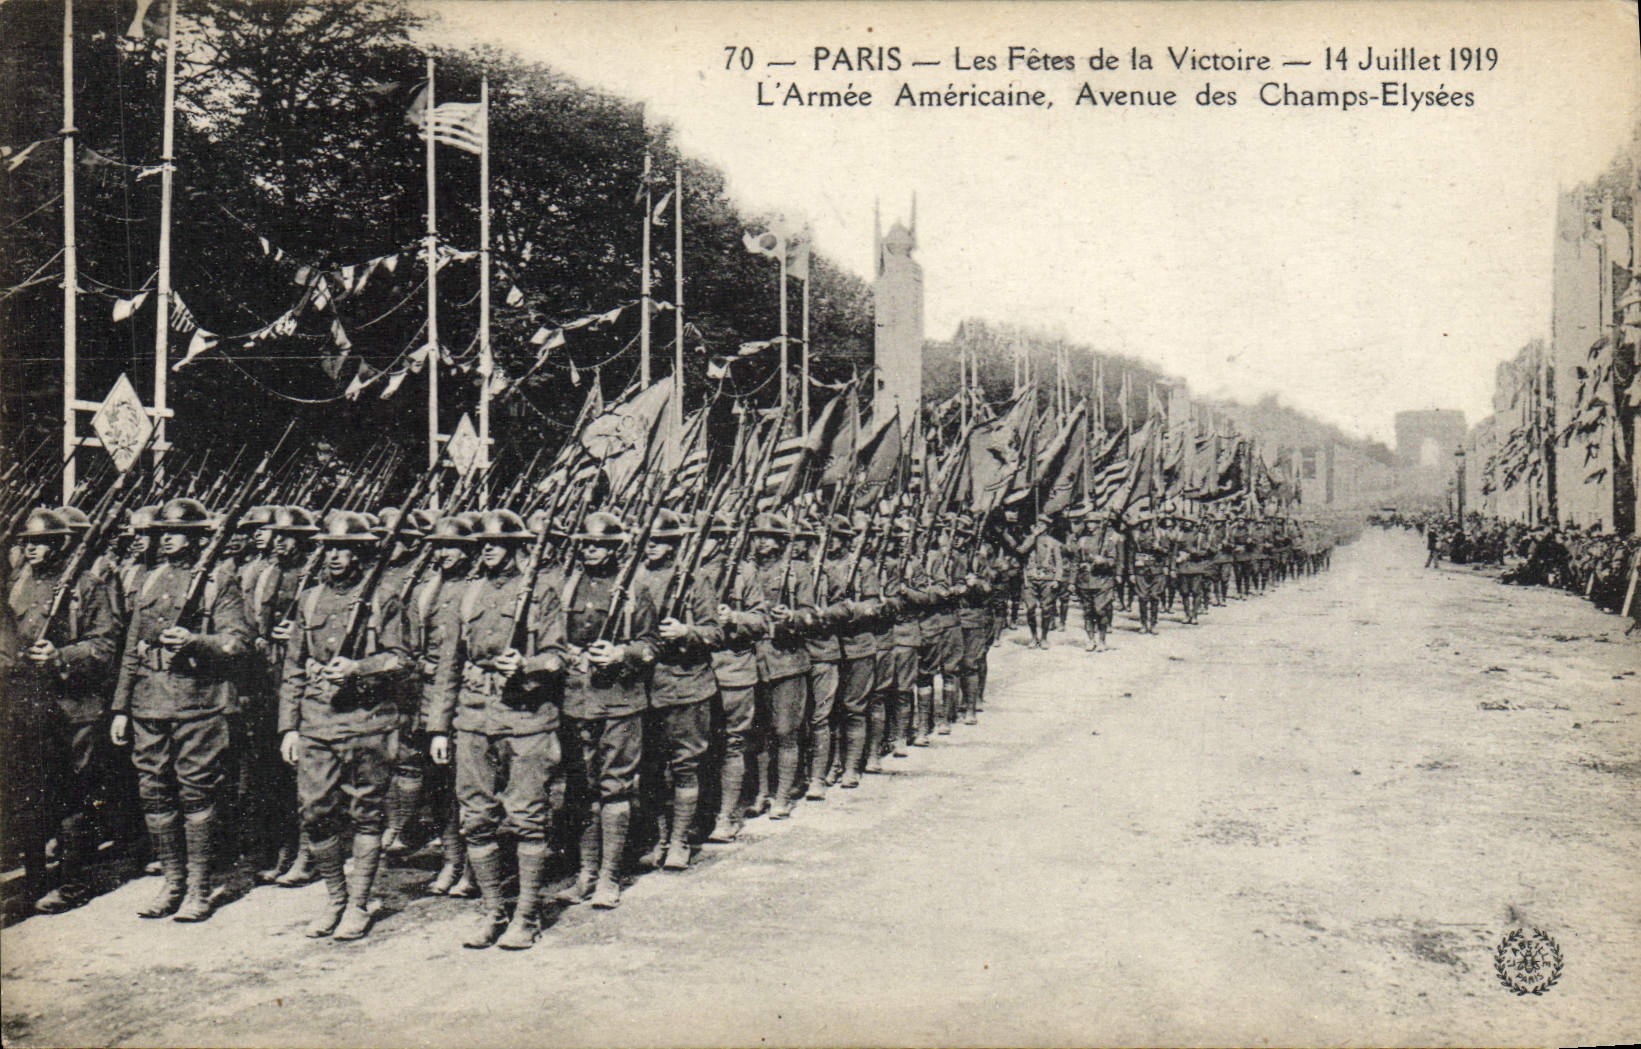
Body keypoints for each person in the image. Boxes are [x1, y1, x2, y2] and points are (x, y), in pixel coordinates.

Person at [110, 497, 254, 923]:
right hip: (149, 702)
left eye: (175, 533)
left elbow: (238, 641)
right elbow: (131, 651)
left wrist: (195, 641)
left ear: (195, 537)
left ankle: (199, 888)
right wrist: (121, 707)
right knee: (154, 791)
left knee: (196, 791)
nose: (166, 540)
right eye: (162, 533)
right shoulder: (151, 579)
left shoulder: (217, 581)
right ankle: (172, 883)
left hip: (199, 701)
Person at [429, 509, 565, 949]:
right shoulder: (468, 595)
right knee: (476, 818)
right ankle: (493, 910)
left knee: (527, 817)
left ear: (516, 546)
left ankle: (526, 916)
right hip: (473, 717)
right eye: (482, 543)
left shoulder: (543, 591)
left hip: (526, 717)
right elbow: (449, 666)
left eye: (496, 543)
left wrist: (527, 665)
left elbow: (557, 654)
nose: (486, 549)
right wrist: (438, 727)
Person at [277, 509, 410, 941]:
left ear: (361, 554)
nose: (335, 557)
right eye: (330, 548)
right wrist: (289, 728)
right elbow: (294, 666)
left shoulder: (384, 596)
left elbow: (400, 658)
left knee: (367, 814)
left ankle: (358, 902)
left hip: (367, 721)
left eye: (345, 549)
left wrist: (359, 668)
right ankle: (335, 897)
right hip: (318, 721)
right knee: (315, 812)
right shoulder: (310, 597)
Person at [5, 508, 122, 914]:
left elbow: (105, 646)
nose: (32, 549)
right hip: (29, 705)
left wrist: (61, 655)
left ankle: (72, 883)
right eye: (28, 543)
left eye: (41, 542)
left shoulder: (86, 588)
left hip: (75, 707)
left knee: (75, 794)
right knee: (31, 796)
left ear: (60, 545)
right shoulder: (16, 585)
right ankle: (35, 882)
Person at [553, 510, 657, 911]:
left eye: (599, 544)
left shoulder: (635, 589)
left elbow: (651, 642)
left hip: (619, 699)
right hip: (576, 698)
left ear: (617, 548)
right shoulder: (568, 586)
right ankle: (585, 873)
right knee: (581, 789)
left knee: (615, 787)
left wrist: (621, 653)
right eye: (586, 543)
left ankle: (609, 877)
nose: (591, 550)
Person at [636, 509, 720, 869]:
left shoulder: (694, 580)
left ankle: (679, 840)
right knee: (651, 768)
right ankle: (658, 836)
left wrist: (688, 632)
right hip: (644, 685)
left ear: (673, 544)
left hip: (686, 684)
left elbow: (714, 630)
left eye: (659, 542)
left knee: (685, 765)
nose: (651, 547)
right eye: (648, 541)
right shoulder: (635, 577)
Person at [402, 514, 478, 897]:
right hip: (428, 696)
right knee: (438, 785)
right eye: (440, 546)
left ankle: (474, 866)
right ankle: (451, 858)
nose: (445, 553)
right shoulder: (429, 587)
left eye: (453, 546)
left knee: (470, 784)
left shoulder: (475, 588)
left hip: (464, 696)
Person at [1071, 508, 1122, 651]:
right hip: (1084, 580)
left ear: (1099, 524)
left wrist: (1103, 561)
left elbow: (1113, 560)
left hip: (1102, 580)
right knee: (1087, 612)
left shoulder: (1107, 541)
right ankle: (1090, 639)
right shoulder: (1082, 540)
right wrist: (1071, 582)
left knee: (1100, 611)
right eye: (1088, 523)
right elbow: (1075, 561)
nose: (1089, 525)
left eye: (1093, 522)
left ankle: (1102, 640)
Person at [1020, 518, 1065, 649]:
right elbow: (1021, 550)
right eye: (1037, 524)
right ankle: (1034, 637)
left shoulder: (1053, 542)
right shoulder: (1029, 540)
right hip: (1030, 578)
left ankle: (1044, 637)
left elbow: (1059, 561)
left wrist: (1057, 579)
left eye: (1042, 524)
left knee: (1046, 608)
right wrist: (1032, 536)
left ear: (1047, 527)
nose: (1038, 527)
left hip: (1047, 579)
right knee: (1030, 608)